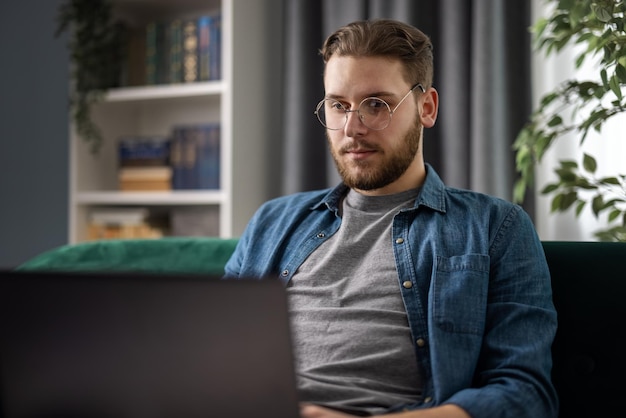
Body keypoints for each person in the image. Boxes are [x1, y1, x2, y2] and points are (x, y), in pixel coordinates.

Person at [224, 19, 558, 418]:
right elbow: (213, 357)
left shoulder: (494, 227)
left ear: (426, 107)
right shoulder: (272, 221)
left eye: (376, 105)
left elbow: (525, 395)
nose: (352, 128)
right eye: (338, 105)